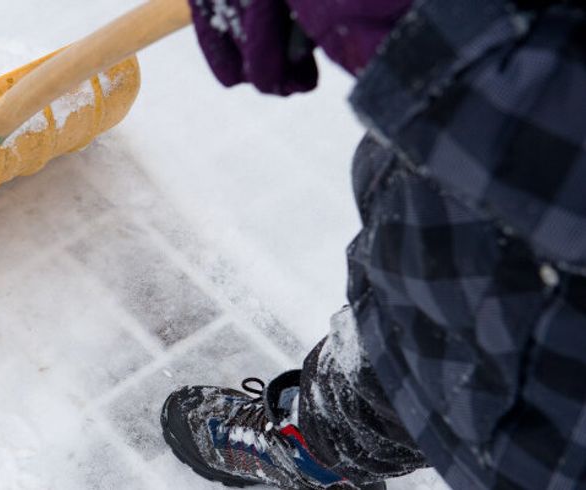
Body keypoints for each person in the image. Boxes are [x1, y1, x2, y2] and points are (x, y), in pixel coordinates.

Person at [159, 0, 586, 489]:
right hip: (468, 240)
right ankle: (311, 443)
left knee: (462, 366)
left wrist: (424, 26)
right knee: (411, 348)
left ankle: (310, 446)